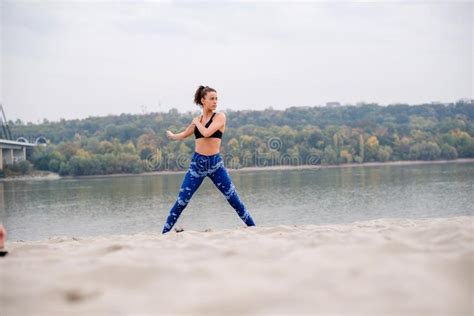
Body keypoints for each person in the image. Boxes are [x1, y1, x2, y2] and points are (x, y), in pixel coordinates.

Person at [162, 85, 256, 234]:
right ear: (203, 100)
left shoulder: (220, 117)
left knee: (234, 199)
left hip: (215, 164)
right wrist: (172, 135)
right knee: (181, 201)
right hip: (197, 165)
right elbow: (184, 134)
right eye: (212, 99)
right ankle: (164, 234)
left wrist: (196, 122)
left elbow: (205, 133)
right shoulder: (198, 120)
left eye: (216, 99)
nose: (215, 102)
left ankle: (254, 229)